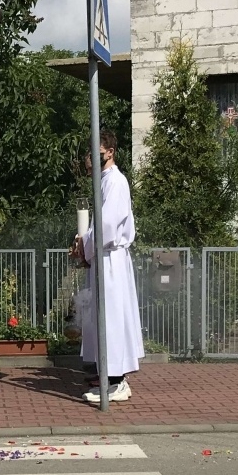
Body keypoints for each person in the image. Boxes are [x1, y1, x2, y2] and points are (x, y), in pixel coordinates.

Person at [71, 130, 144, 404]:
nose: (90, 158)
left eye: (95, 151)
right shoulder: (104, 182)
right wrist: (84, 243)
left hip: (111, 260)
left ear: (109, 151)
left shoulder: (115, 182)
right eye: (88, 153)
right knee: (102, 317)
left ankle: (116, 381)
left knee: (111, 319)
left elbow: (108, 226)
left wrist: (84, 244)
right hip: (103, 259)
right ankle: (105, 375)